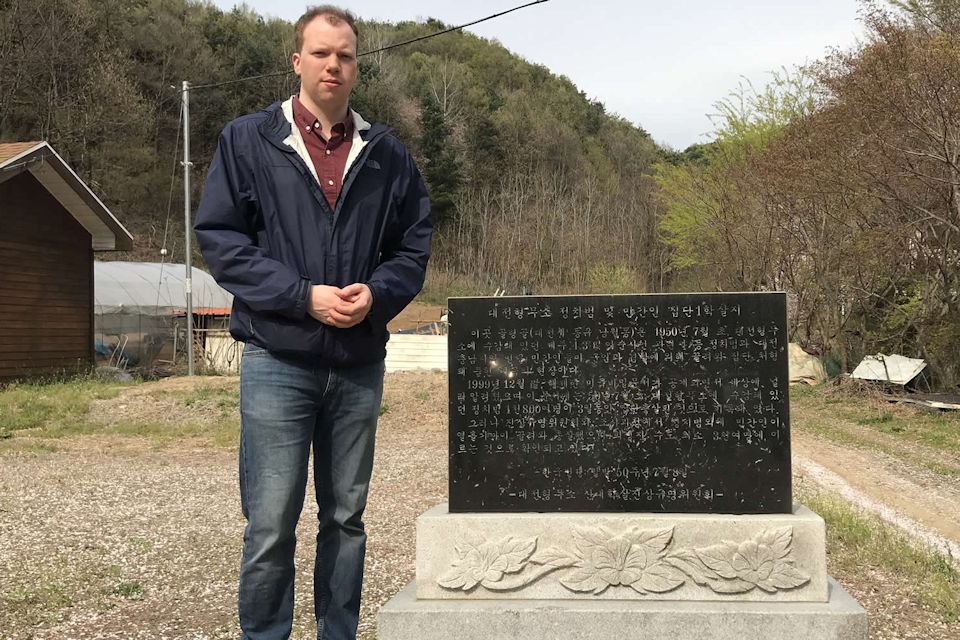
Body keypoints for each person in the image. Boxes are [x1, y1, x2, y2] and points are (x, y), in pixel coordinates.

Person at [193, 6, 432, 639]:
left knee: (346, 518)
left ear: (357, 66)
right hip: (278, 359)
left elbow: (413, 247)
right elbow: (220, 240)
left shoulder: (385, 153)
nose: (334, 65)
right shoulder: (248, 140)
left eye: (346, 55)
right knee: (270, 522)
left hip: (357, 365)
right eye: (322, 53)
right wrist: (304, 296)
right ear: (297, 61)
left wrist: (375, 297)